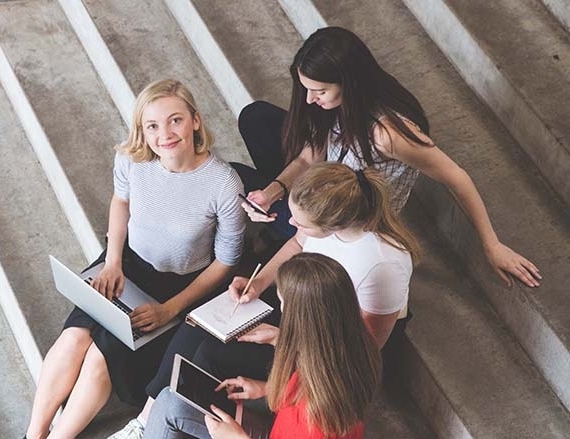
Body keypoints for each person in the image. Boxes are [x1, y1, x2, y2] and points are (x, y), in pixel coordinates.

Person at [109, 162, 417, 439]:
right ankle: (147, 420)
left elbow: (358, 354)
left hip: (328, 351)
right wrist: (260, 287)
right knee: (194, 339)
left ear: (333, 224)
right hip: (311, 341)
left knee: (211, 354)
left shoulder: (383, 266)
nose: (293, 226)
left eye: (302, 222)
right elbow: (298, 242)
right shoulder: (319, 235)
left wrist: (286, 342)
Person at [233, 26, 540, 288]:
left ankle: (278, 230)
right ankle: (278, 222)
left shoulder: (387, 133)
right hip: (327, 184)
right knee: (256, 117)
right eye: (307, 89)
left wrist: (492, 245)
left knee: (234, 174)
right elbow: (306, 158)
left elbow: (456, 177)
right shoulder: (336, 107)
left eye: (319, 91)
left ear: (348, 82)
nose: (310, 99)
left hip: (347, 218)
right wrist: (273, 192)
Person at [23, 79, 246, 439]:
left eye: (175, 120)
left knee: (99, 358)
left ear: (196, 121)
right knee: (73, 339)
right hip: (126, 264)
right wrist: (112, 262)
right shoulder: (133, 159)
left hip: (179, 287)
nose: (165, 135)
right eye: (152, 126)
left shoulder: (223, 183)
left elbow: (226, 262)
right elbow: (121, 201)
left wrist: (170, 310)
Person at [143, 252, 382, 439]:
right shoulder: (349, 350)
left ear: (303, 318)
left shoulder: (315, 420)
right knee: (172, 400)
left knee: (170, 406)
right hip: (279, 427)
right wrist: (265, 388)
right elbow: (310, 374)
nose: (282, 310)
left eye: (283, 304)